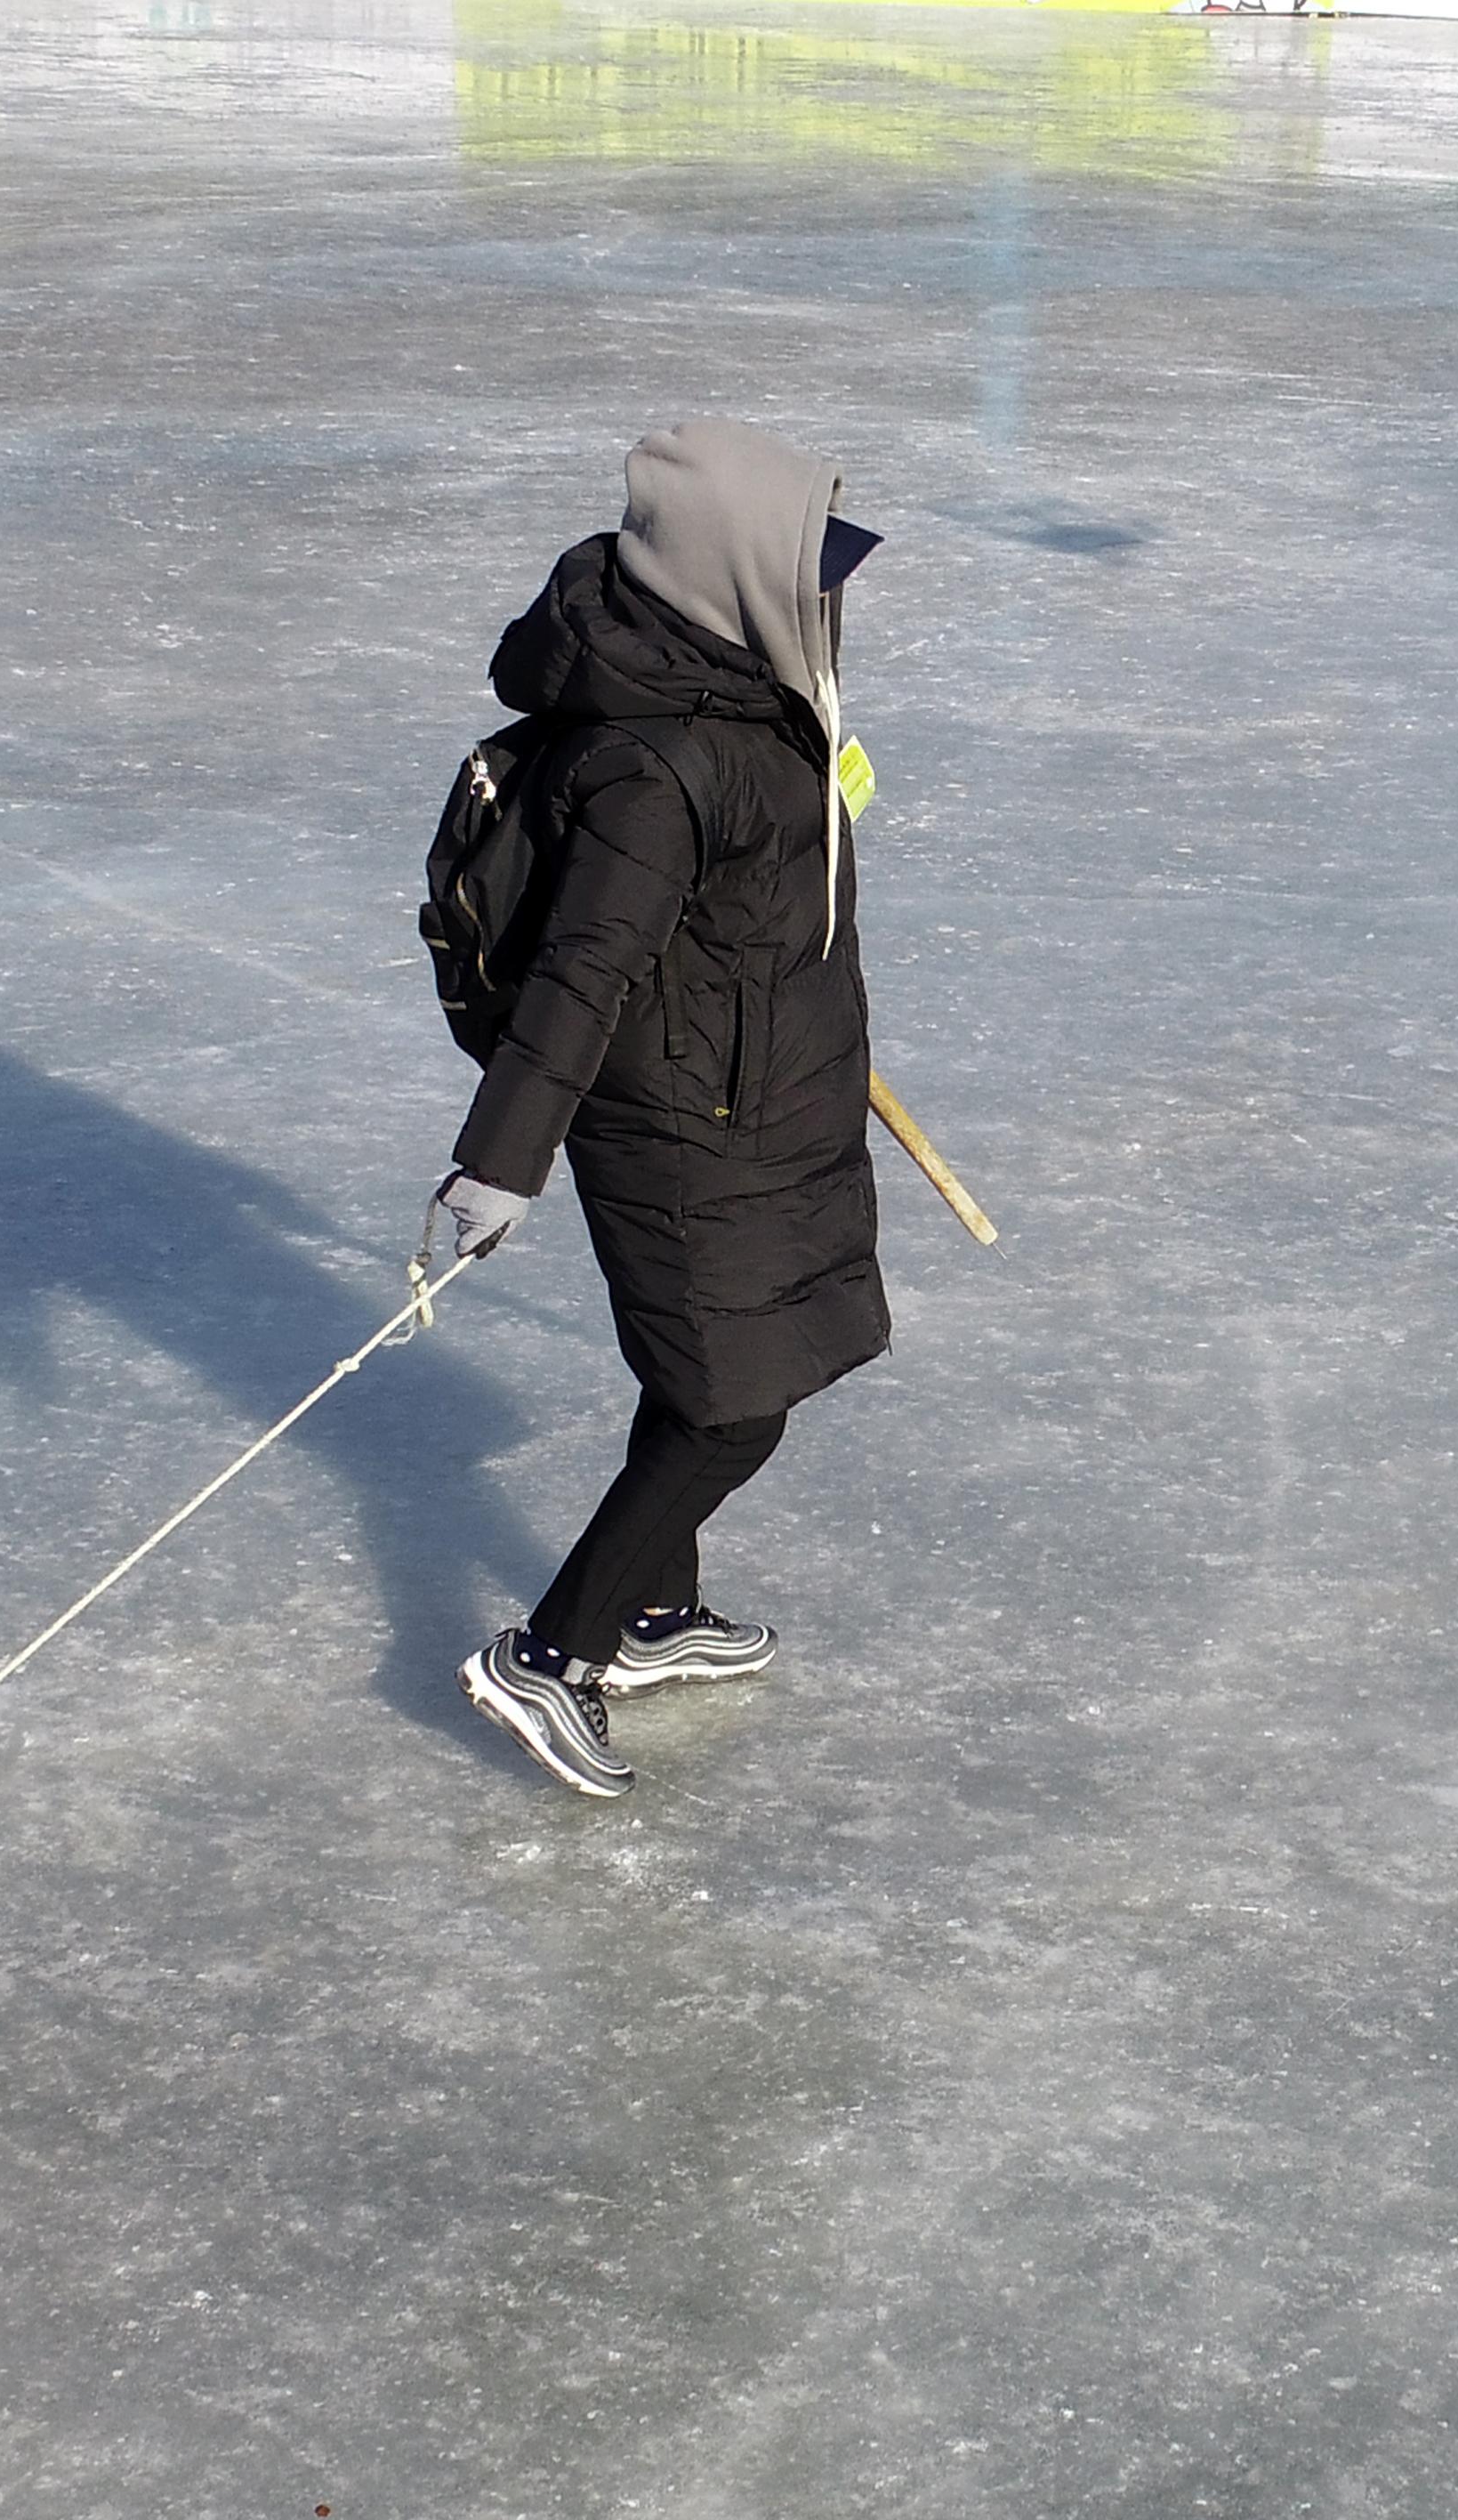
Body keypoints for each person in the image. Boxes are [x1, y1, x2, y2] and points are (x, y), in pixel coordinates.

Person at [427, 419, 894, 1799]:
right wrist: (499, 1163)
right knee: (728, 1407)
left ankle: (646, 1614)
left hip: (757, 1087)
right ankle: (552, 1657)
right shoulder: (651, 762)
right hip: (686, 1121)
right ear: (734, 572)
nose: (835, 600)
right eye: (816, 572)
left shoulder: (734, 688)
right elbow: (587, 970)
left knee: (700, 1370)